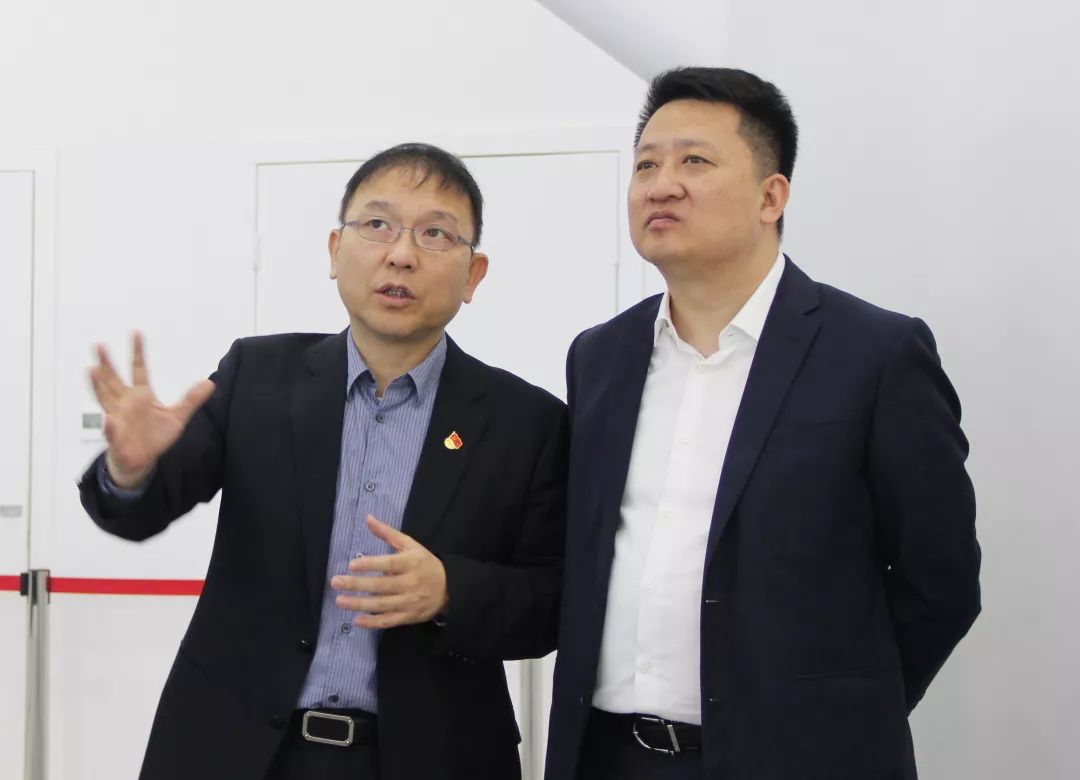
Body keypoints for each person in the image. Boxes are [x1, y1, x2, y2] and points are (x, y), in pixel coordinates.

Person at [79, 142, 567, 780]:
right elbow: (143, 510)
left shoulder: (525, 421)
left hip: (431, 756)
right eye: (378, 224)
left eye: (435, 234)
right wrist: (132, 470)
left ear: (473, 275)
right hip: (237, 751)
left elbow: (551, 602)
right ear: (336, 252)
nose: (401, 254)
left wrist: (451, 589)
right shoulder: (257, 376)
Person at [545, 67, 981, 780]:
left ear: (770, 197)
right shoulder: (599, 356)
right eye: (646, 165)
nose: (661, 185)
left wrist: (841, 715)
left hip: (802, 758)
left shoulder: (874, 353)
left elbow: (942, 582)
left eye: (694, 161)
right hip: (610, 756)